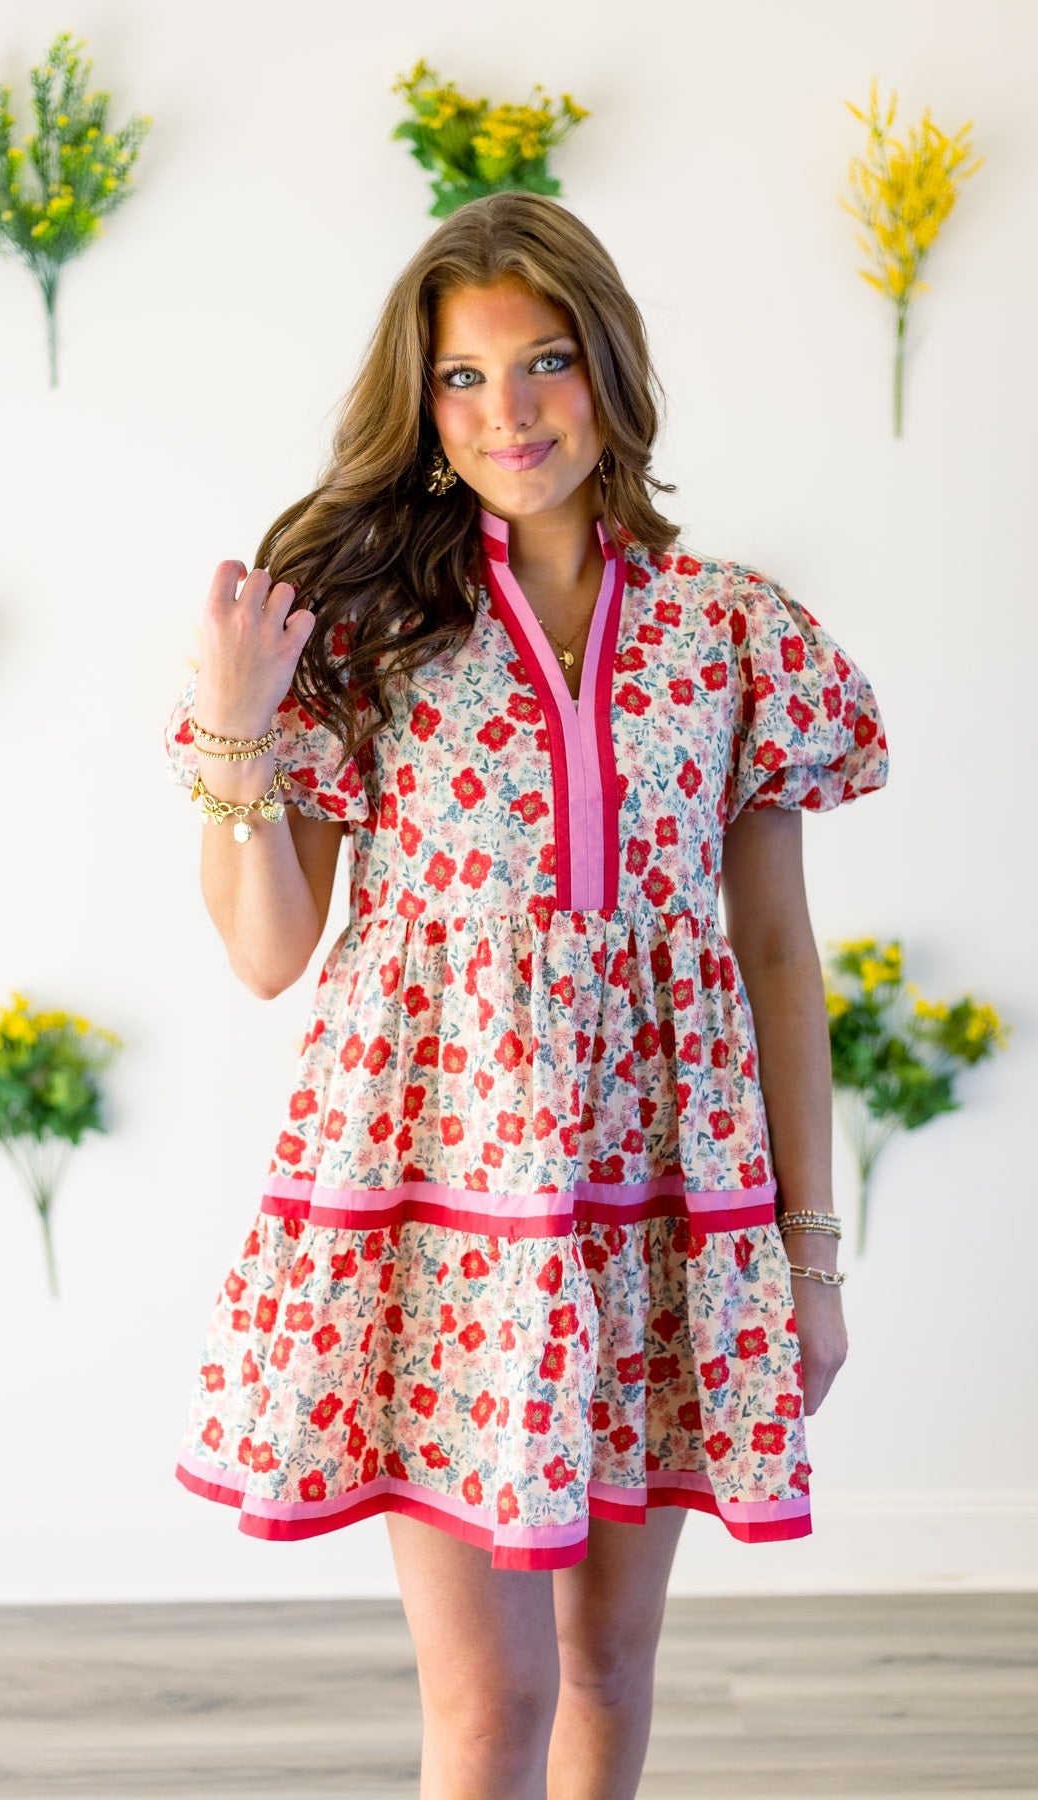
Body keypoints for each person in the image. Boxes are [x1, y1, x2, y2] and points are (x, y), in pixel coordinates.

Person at [163, 191, 890, 1799]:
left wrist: (809, 1256)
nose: (509, 411)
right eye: (463, 378)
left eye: (545, 361)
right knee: (487, 1713)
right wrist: (235, 728)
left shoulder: (732, 630)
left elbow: (775, 955)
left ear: (610, 367)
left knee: (607, 1680)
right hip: (450, 1220)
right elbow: (271, 949)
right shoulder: (360, 621)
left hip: (659, 1215)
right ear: (420, 408)